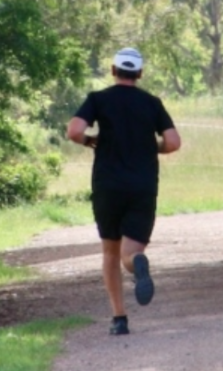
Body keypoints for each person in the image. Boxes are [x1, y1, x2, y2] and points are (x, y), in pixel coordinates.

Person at [66, 47, 181, 336]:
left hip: (108, 185)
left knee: (109, 251)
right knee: (130, 251)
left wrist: (90, 139)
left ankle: (119, 319)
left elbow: (74, 131)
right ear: (140, 73)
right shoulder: (151, 103)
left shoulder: (98, 99)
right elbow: (173, 141)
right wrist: (153, 146)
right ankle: (137, 263)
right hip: (143, 185)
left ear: (113, 70)